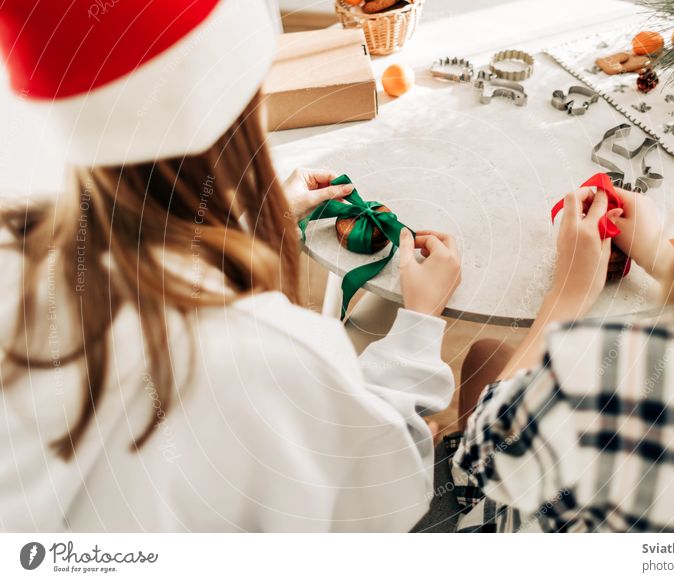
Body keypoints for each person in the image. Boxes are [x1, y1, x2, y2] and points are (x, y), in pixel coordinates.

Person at [0, 0, 461, 532]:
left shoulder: (18, 247)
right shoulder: (264, 354)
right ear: (240, 115)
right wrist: (419, 328)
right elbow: (385, 481)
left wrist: (235, 227)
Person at [449, 0, 674, 533]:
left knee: (484, 360)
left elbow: (484, 456)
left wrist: (566, 298)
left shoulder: (608, 370)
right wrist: (660, 256)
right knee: (489, 353)